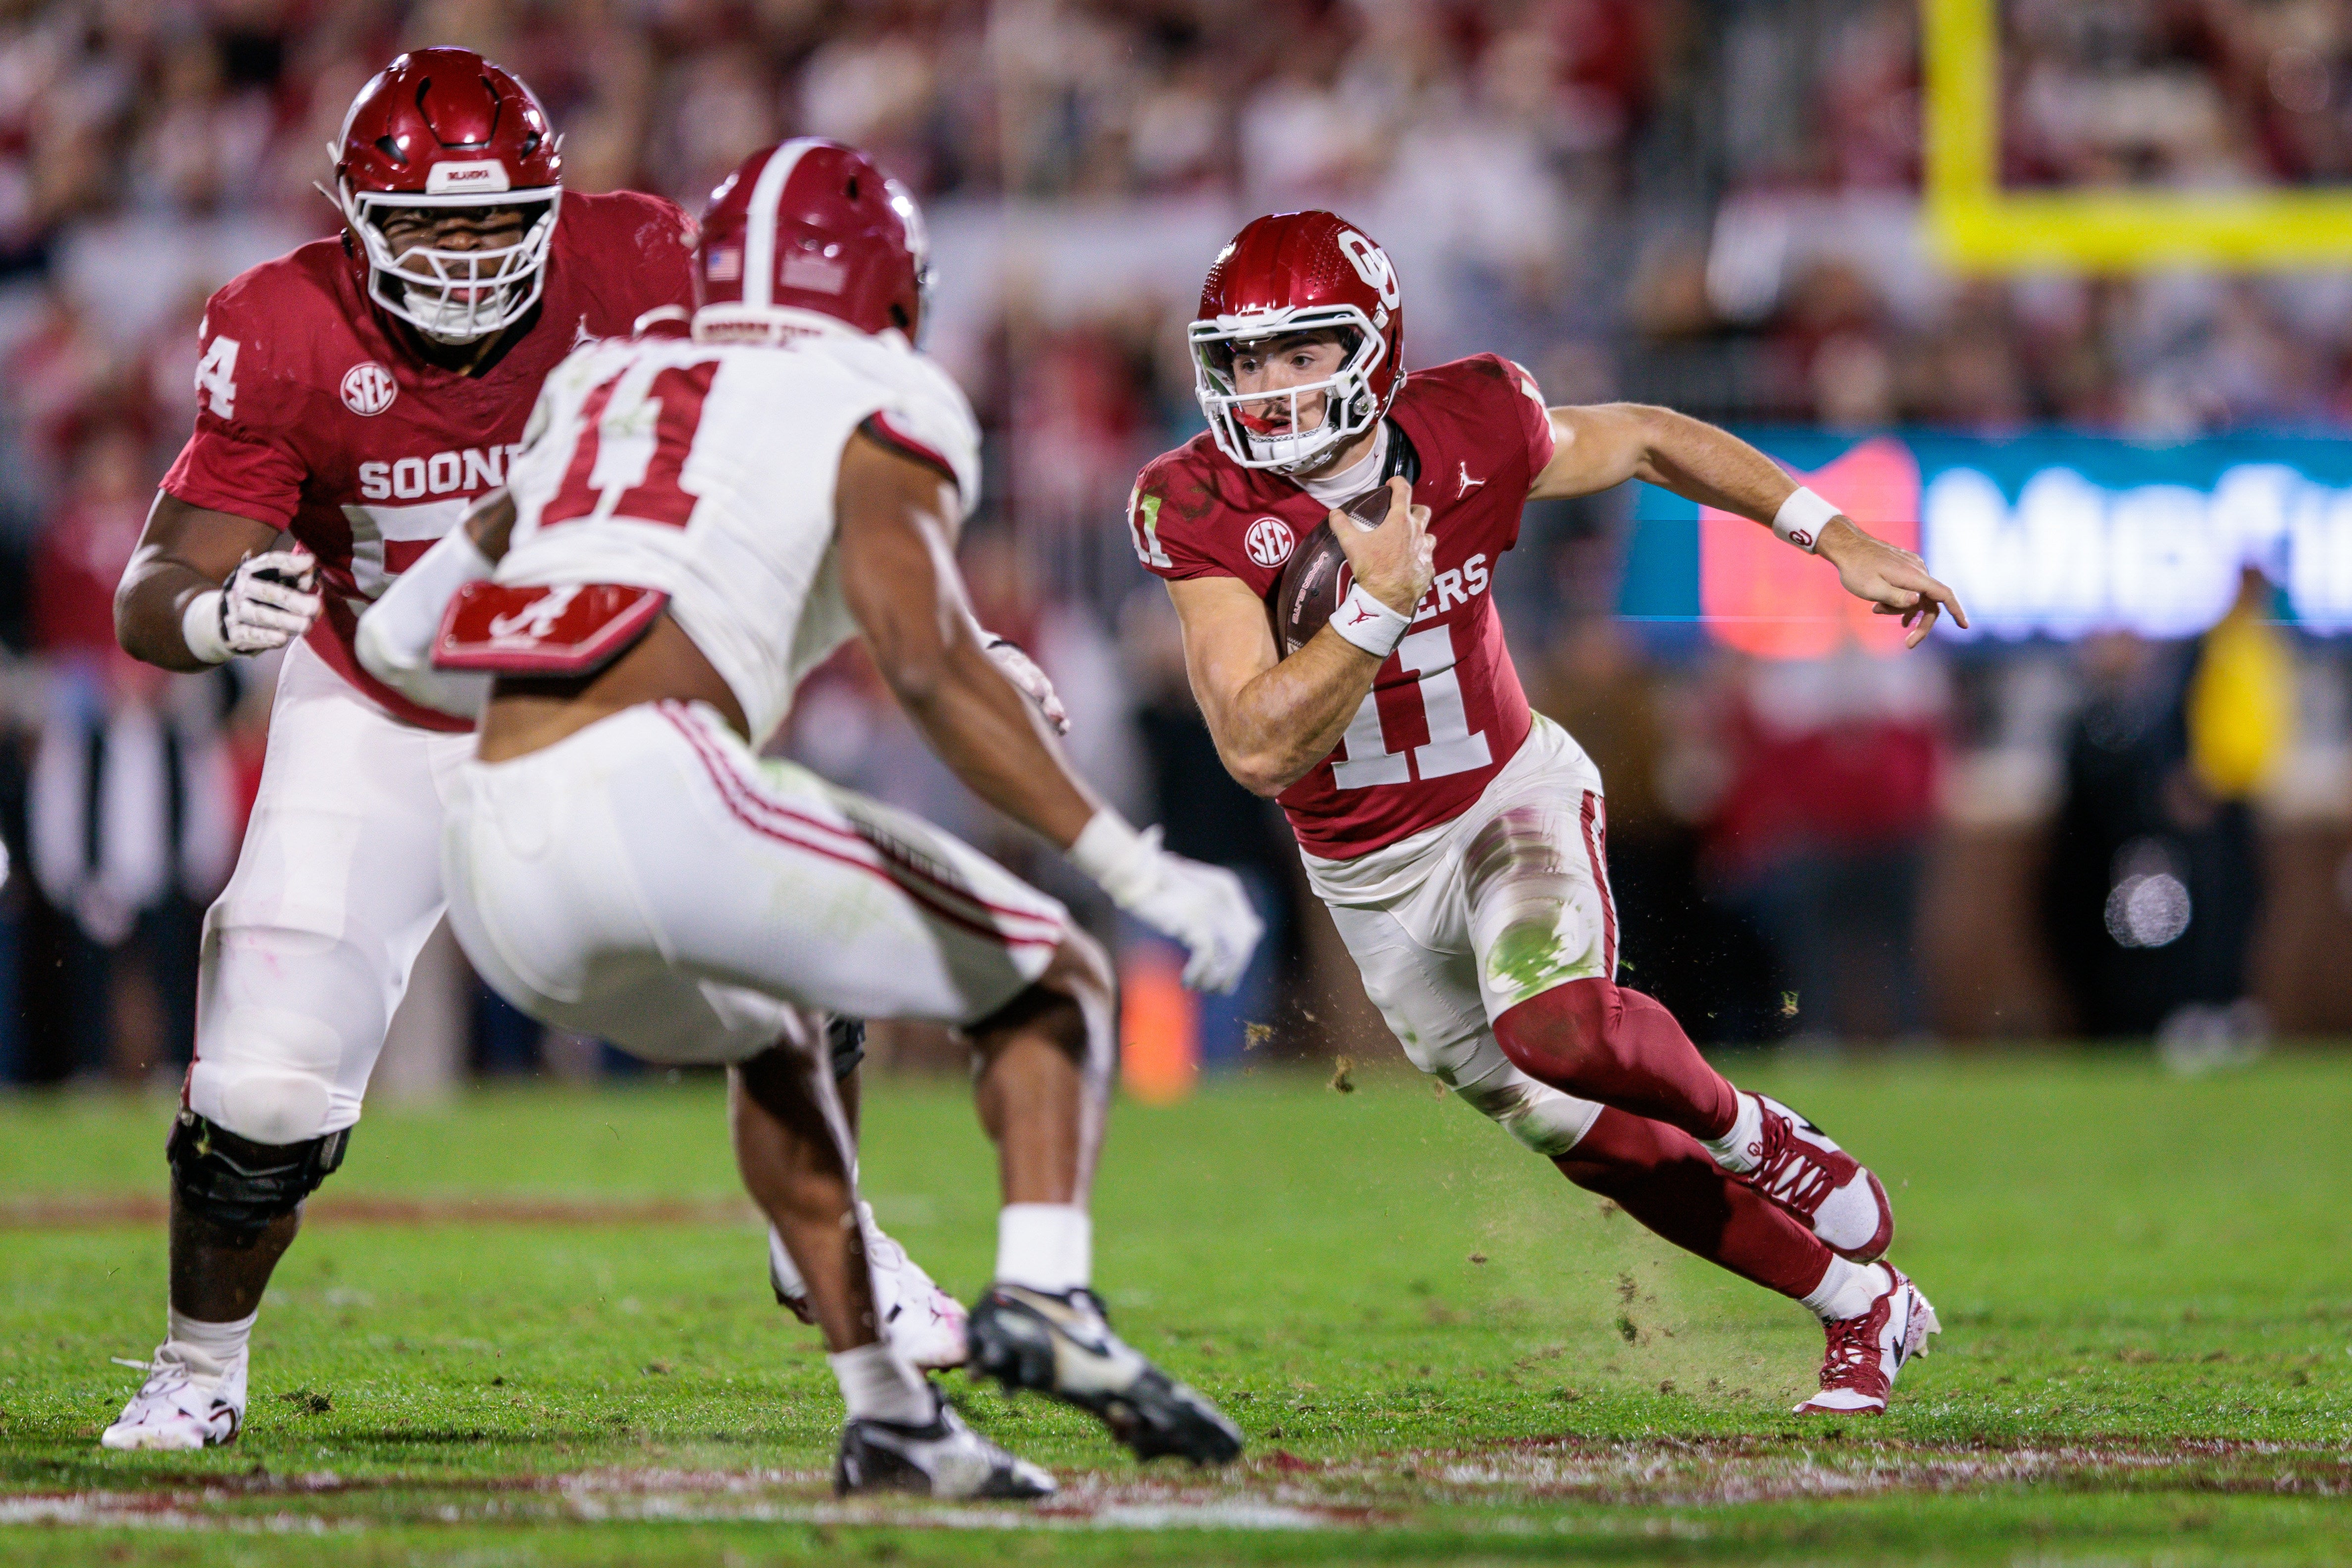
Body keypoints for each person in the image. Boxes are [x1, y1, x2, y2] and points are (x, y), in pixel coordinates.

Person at [354, 138, 1263, 1497]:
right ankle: (1048, 1296)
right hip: (651, 790)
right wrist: (1128, 861)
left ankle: (888, 1413)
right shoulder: (881, 387)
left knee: (784, 1036)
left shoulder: (605, 383)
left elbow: (402, 636)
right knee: (1057, 981)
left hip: (492, 857)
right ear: (893, 291)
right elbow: (922, 661)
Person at [98, 52, 957, 1453]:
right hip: (379, 714)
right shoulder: (282, 326)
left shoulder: (636, 264)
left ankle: (826, 1239)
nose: (467, 254)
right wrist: (211, 612)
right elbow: (153, 587)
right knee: (259, 1090)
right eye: (434, 224)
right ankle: (201, 1364)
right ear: (358, 217)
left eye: (497, 219)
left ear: (551, 210)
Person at [1132, 210, 1968, 1416]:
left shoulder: (1470, 420)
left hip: (1502, 800)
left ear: (1370, 344)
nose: (1265, 386)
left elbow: (1642, 439)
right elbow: (1257, 745)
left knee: (1558, 1026)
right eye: (1244, 359)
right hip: (1366, 877)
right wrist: (1371, 611)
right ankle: (1860, 1308)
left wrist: (1826, 535)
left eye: (1298, 352)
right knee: (1581, 1136)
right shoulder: (1193, 499)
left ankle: (1752, 1133)